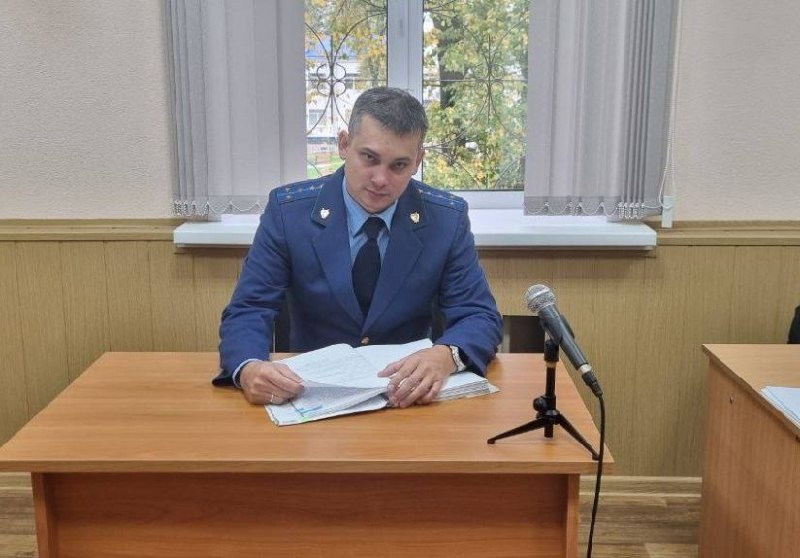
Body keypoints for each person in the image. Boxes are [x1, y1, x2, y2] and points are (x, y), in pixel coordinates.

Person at [214, 86, 503, 408]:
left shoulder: (445, 220)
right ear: (344, 144)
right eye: (369, 158)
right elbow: (249, 308)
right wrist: (248, 368)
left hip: (405, 397)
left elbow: (479, 315)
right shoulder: (289, 213)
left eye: (399, 165)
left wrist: (445, 356)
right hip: (311, 395)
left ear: (418, 161)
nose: (380, 179)